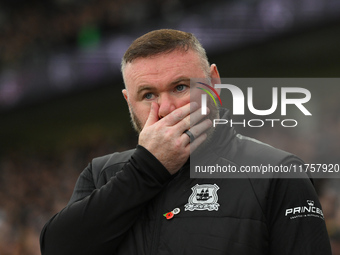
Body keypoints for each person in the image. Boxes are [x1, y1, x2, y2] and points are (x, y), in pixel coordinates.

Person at [40, 29, 331, 255]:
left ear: (214, 82)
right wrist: (146, 169)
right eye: (148, 95)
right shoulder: (102, 173)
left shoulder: (277, 172)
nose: (166, 107)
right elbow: (56, 248)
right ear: (129, 102)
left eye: (180, 87)